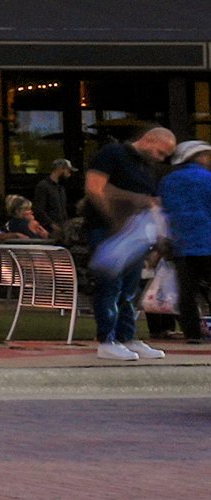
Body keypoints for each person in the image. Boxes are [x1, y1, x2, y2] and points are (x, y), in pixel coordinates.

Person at [86, 119, 176, 361]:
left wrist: (158, 235)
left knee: (129, 289)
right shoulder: (112, 153)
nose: (160, 158)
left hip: (133, 234)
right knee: (111, 287)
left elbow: (151, 202)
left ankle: (126, 337)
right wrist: (116, 219)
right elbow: (95, 187)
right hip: (108, 230)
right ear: (149, 140)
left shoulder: (145, 168)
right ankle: (107, 339)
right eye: (160, 151)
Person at [165, 140, 211, 344]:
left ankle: (192, 333)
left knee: (186, 292)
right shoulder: (207, 178)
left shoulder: (168, 181)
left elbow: (164, 212)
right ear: (198, 157)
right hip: (207, 241)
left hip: (181, 244)